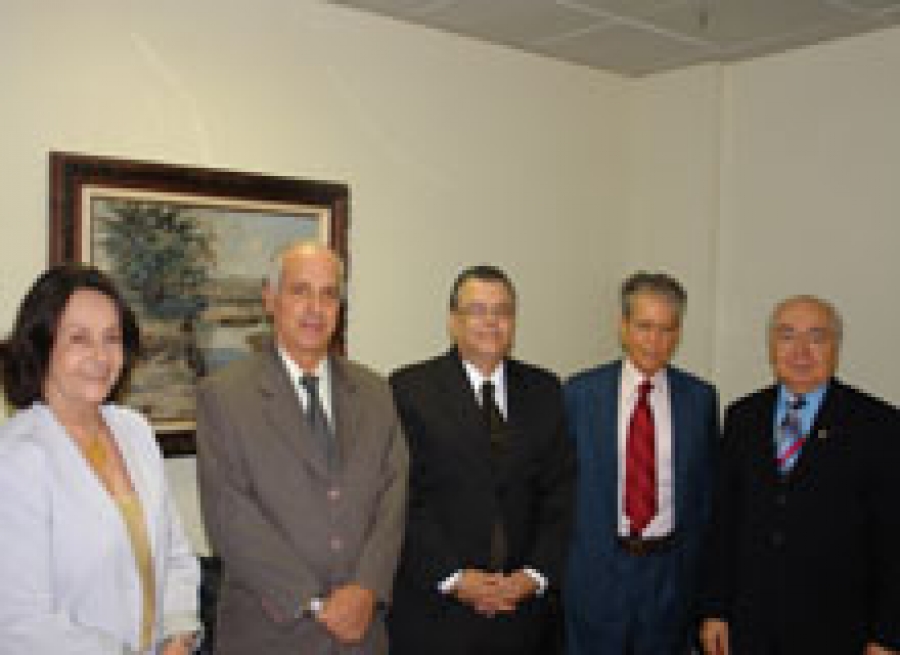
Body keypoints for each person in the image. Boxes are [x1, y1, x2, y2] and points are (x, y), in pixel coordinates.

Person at [196, 241, 408, 655]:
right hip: (270, 634)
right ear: (270, 298)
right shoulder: (224, 396)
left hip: (363, 635)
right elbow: (230, 517)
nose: (315, 308)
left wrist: (366, 588)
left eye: (329, 294)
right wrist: (315, 604)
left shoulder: (375, 392)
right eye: (300, 291)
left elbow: (393, 498)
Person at [0, 264, 201, 654]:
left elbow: (175, 554)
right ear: (41, 347)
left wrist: (176, 637)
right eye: (79, 338)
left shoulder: (135, 431)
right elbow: (19, 622)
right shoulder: (18, 459)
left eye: (112, 338)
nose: (100, 355)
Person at [388, 265, 575, 655]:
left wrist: (533, 575)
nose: (491, 321)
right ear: (453, 321)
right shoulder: (409, 390)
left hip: (525, 615)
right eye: (477, 310)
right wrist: (455, 578)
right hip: (437, 613)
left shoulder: (545, 390)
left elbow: (562, 493)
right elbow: (403, 498)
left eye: (502, 311)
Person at [699, 295, 900, 655]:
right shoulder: (742, 417)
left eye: (817, 337)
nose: (801, 351)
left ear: (836, 347)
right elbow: (724, 522)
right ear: (771, 346)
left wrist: (887, 635)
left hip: (838, 630)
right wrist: (714, 609)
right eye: (787, 336)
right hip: (749, 625)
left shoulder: (878, 425)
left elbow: (892, 540)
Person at [564, 272, 719, 655]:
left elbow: (706, 496)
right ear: (623, 326)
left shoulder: (700, 399)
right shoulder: (580, 394)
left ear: (679, 333)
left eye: (666, 329)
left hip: (670, 576)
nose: (654, 341)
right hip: (597, 573)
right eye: (644, 327)